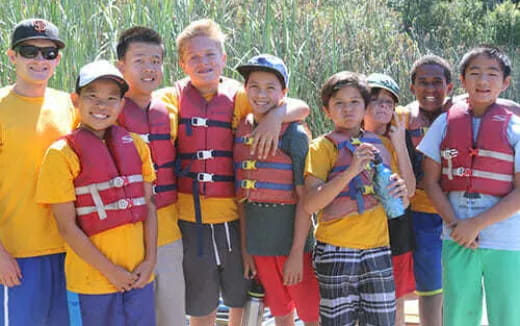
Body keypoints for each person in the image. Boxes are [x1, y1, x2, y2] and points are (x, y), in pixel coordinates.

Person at [155, 19, 309, 326]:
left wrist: (276, 116)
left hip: (237, 219)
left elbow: (301, 106)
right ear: (182, 64)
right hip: (191, 219)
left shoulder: (239, 96)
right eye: (194, 58)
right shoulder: (170, 98)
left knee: (240, 296)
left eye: (210, 55)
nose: (204, 63)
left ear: (223, 59)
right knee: (201, 303)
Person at [36, 60, 157, 326]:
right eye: (92, 96)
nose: (102, 106)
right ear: (75, 100)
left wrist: (150, 262)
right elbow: (67, 227)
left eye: (111, 98)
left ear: (122, 105)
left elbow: (148, 205)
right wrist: (111, 272)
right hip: (92, 284)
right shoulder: (61, 155)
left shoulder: (137, 146)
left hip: (140, 278)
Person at [419, 45, 520, 326]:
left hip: (507, 241)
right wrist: (456, 225)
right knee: (459, 313)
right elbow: (430, 181)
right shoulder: (444, 123)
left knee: (508, 314)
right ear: (462, 81)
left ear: (505, 83)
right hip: (457, 237)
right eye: (474, 73)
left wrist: (475, 224)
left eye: (491, 74)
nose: (483, 81)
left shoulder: (515, 128)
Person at [304, 71, 408, 325]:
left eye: (354, 102)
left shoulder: (380, 147)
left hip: (378, 248)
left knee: (382, 319)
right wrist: (351, 170)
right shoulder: (321, 147)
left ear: (364, 108)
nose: (347, 109)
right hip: (335, 249)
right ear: (327, 111)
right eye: (339, 103)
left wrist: (402, 193)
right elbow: (310, 204)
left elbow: (399, 203)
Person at [234, 54, 320, 326]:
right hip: (260, 245)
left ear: (284, 93)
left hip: (294, 247)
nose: (261, 94)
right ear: (245, 90)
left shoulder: (294, 136)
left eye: (270, 87)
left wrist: (296, 254)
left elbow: (305, 200)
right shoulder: (242, 129)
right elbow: (243, 200)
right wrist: (248, 250)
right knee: (281, 313)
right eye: (254, 86)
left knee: (311, 315)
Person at [0, 18, 74, 325]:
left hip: (69, 251)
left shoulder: (69, 105)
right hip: (17, 257)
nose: (40, 60)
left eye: (49, 53)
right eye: (30, 51)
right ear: (12, 56)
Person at [115, 26, 184, 326]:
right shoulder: (105, 109)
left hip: (169, 231)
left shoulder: (170, 106)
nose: (149, 68)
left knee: (171, 313)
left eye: (155, 61)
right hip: (124, 233)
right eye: (140, 60)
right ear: (121, 66)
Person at [396, 54, 454, 326]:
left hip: (460, 212)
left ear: (450, 87)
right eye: (423, 83)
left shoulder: (461, 113)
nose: (430, 89)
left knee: (457, 285)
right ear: (412, 88)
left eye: (437, 82)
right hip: (422, 215)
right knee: (430, 287)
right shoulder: (404, 119)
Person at [364, 73, 416, 326]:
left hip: (396, 231)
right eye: (375, 100)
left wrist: (399, 142)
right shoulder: (351, 138)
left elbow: (411, 191)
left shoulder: (400, 137)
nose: (383, 106)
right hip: (363, 232)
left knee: (397, 302)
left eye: (388, 101)